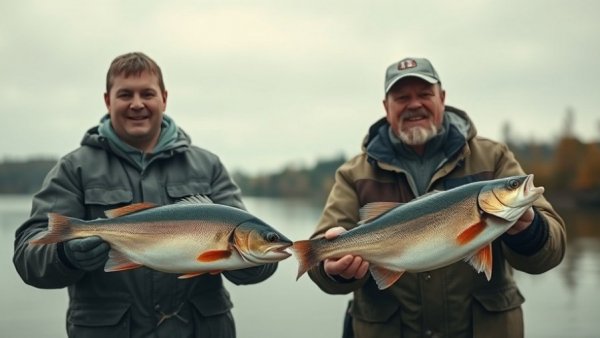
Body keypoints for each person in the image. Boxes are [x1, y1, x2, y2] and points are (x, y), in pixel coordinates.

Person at [13, 52, 277, 338]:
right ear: (107, 100)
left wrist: (243, 263)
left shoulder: (208, 166)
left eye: (147, 94)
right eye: (125, 94)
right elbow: (29, 255)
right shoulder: (73, 168)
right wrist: (65, 255)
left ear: (163, 98)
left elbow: (258, 260)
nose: (137, 104)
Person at [307, 57, 567, 338]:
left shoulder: (494, 158)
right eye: (402, 97)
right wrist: (331, 269)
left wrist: (529, 231)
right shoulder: (353, 173)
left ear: (442, 97)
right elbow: (319, 254)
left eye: (424, 94)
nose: (414, 104)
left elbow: (552, 248)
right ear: (386, 107)